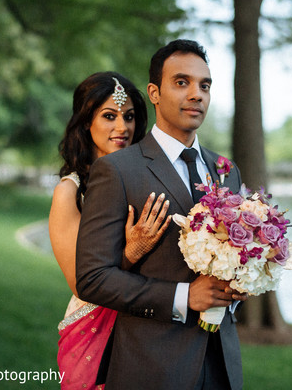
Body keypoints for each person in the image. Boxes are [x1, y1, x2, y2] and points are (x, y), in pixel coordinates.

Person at [76, 40, 247, 390]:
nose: (196, 94)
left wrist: (242, 284)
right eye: (181, 82)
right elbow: (92, 278)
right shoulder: (118, 170)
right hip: (151, 367)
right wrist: (184, 297)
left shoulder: (227, 171)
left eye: (205, 85)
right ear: (154, 92)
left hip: (222, 366)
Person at [49, 71, 171, 389]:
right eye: (109, 116)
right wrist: (132, 251)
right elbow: (82, 284)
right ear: (86, 122)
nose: (123, 128)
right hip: (93, 324)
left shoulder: (144, 181)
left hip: (147, 322)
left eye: (129, 117)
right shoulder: (71, 191)